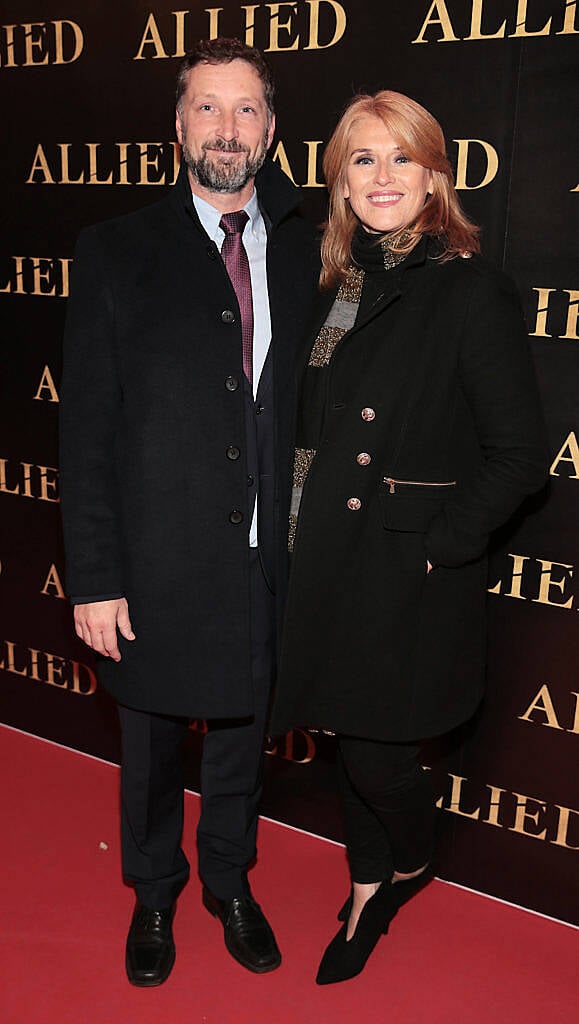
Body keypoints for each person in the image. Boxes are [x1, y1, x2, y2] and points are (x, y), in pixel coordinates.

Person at [270, 90, 547, 984]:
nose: (380, 177)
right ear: (339, 182)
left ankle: (411, 857)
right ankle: (362, 883)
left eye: (401, 159)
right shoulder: (333, 287)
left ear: (434, 177)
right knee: (350, 739)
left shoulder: (469, 289)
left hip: (400, 573)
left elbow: (517, 455)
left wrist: (435, 546)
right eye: (361, 159)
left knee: (382, 756)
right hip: (317, 560)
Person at [59, 38, 318, 986]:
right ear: (177, 128)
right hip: (157, 560)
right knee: (153, 746)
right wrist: (94, 575)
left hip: (267, 560)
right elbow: (86, 428)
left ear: (272, 130)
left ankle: (228, 884)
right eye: (207, 108)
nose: (227, 128)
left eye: (246, 109)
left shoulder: (308, 243)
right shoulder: (116, 250)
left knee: (246, 745)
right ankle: (156, 894)